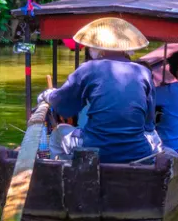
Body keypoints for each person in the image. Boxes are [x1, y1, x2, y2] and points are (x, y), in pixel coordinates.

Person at [41, 17, 163, 164]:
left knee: (58, 134)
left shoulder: (89, 68)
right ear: (126, 49)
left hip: (96, 151)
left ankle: (64, 174)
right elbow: (149, 124)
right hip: (137, 152)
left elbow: (64, 107)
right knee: (155, 140)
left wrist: (48, 95)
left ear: (96, 48)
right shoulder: (143, 72)